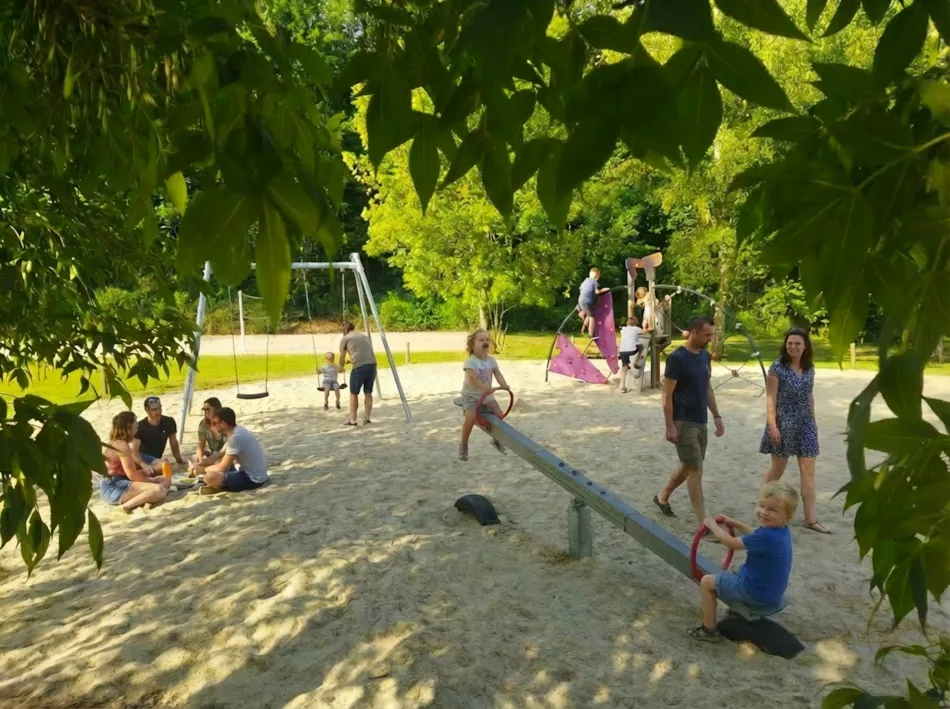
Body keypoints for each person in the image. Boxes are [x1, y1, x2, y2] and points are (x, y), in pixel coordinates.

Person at [689, 481, 799, 642]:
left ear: (788, 517)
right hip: (772, 591)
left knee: (707, 582)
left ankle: (709, 630)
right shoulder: (779, 531)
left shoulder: (766, 536)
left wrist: (712, 525)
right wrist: (735, 523)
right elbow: (754, 534)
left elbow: (731, 543)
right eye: (762, 506)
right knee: (737, 570)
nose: (764, 512)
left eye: (772, 510)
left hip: (756, 592)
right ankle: (736, 610)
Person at [653, 315, 725, 525]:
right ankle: (704, 523)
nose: (710, 339)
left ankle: (662, 497)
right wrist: (670, 426)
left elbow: (707, 388)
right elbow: (667, 395)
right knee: (696, 470)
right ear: (694, 332)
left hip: (701, 419)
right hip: (683, 421)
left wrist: (717, 415)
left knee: (689, 465)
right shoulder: (677, 358)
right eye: (707, 335)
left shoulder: (704, 356)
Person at [761, 328, 829, 534]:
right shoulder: (777, 368)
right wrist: (773, 426)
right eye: (790, 343)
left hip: (806, 423)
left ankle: (810, 519)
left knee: (808, 471)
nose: (793, 347)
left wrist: (814, 422)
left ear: (805, 346)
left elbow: (810, 396)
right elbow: (771, 398)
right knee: (778, 470)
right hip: (783, 422)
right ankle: (763, 504)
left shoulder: (810, 368)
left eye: (797, 343)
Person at [455, 329, 511, 461]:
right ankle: (463, 444)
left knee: (499, 415)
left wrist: (504, 385)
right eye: (481, 340)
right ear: (472, 345)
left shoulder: (491, 361)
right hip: (471, 397)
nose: (485, 342)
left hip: (486, 396)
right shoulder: (470, 362)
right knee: (471, 417)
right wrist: (486, 388)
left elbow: (498, 374)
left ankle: (496, 440)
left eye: (487, 340)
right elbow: (474, 379)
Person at [100, 411, 170, 512]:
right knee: (159, 490)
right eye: (135, 422)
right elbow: (132, 475)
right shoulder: (122, 446)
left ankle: (147, 500)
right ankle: (125, 507)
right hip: (114, 487)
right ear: (129, 426)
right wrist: (151, 481)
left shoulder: (117, 442)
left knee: (165, 480)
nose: (137, 425)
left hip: (122, 482)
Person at [193, 407, 269, 493]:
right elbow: (219, 454)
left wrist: (201, 470)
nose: (213, 425)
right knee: (213, 466)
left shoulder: (235, 438)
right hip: (255, 474)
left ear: (223, 424)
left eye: (215, 423)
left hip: (252, 479)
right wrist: (200, 464)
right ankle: (218, 484)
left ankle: (218, 485)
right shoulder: (236, 431)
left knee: (210, 476)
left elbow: (222, 467)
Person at [339, 322, 377, 426]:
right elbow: (361, 353)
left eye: (342, 331)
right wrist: (351, 361)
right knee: (368, 392)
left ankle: (353, 420)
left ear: (345, 330)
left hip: (359, 368)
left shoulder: (346, 338)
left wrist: (341, 367)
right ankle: (367, 418)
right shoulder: (364, 337)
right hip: (372, 365)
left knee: (354, 393)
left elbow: (342, 356)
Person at [135, 396, 185, 467]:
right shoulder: (139, 427)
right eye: (154, 409)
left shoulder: (168, 421)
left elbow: (173, 443)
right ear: (147, 410)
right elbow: (134, 451)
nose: (158, 412)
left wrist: (178, 459)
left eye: (160, 408)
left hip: (157, 460)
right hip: (142, 459)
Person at [192, 397, 227, 465]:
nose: (206, 413)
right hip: (213, 455)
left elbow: (229, 448)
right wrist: (200, 457)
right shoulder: (203, 424)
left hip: (225, 455)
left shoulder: (224, 424)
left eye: (208, 410)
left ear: (216, 410)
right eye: (204, 410)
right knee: (194, 458)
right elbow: (200, 443)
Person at [577, 267, 610, 339]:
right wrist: (604, 290)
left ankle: (583, 329)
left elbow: (581, 289)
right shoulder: (595, 282)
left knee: (589, 315)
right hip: (587, 302)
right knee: (592, 318)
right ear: (598, 276)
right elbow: (597, 292)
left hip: (580, 300)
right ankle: (590, 334)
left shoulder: (585, 281)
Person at [618, 316, 644, 394]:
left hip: (622, 350)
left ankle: (622, 385)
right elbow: (645, 332)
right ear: (636, 322)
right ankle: (636, 361)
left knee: (624, 366)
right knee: (641, 347)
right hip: (632, 350)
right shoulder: (637, 329)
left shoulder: (623, 329)